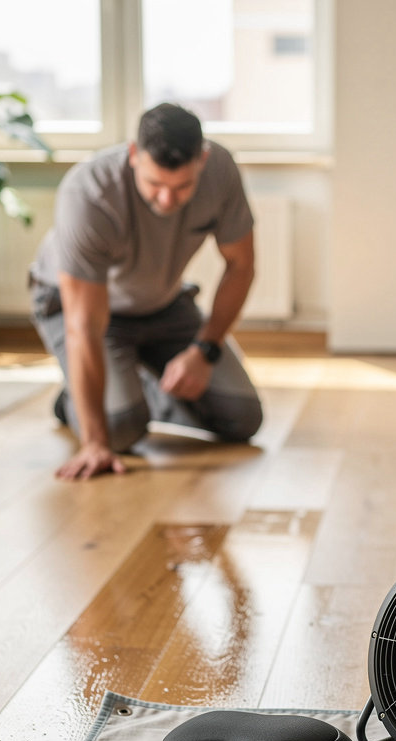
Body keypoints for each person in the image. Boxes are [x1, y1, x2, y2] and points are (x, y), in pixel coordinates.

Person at [29, 103, 262, 480]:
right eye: (155, 185)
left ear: (201, 159)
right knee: (120, 431)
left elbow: (241, 265)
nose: (167, 201)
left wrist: (204, 351)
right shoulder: (89, 193)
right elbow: (83, 327)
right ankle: (82, 400)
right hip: (86, 311)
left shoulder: (220, 171)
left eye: (182, 187)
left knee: (241, 418)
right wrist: (94, 442)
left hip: (162, 303)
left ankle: (129, 389)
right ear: (134, 154)